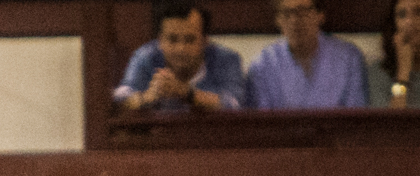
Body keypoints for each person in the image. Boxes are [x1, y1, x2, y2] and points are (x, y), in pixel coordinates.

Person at [113, 2, 245, 112]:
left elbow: (236, 105)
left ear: (205, 41)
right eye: (172, 39)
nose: (181, 48)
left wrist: (188, 94)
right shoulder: (146, 57)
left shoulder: (226, 60)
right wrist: (147, 97)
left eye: (190, 39)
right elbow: (118, 99)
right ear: (160, 41)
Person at [246, 0, 368, 109]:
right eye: (287, 13)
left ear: (320, 15)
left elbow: (356, 117)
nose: (295, 20)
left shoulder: (349, 58)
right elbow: (262, 122)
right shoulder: (263, 65)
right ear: (278, 20)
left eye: (302, 11)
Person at [369, 0, 420, 107]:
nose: (409, 22)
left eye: (418, 12)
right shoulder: (379, 72)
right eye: (402, 15)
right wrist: (403, 72)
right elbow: (392, 121)